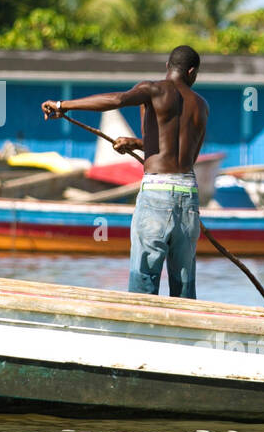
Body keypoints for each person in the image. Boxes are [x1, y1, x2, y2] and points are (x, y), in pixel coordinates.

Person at [41, 45, 209, 299]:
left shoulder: (152, 89)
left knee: (144, 280)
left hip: (156, 194)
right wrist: (137, 143)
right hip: (188, 196)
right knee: (184, 285)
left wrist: (63, 105)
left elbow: (117, 100)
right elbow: (187, 156)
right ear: (192, 72)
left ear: (167, 67)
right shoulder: (201, 105)